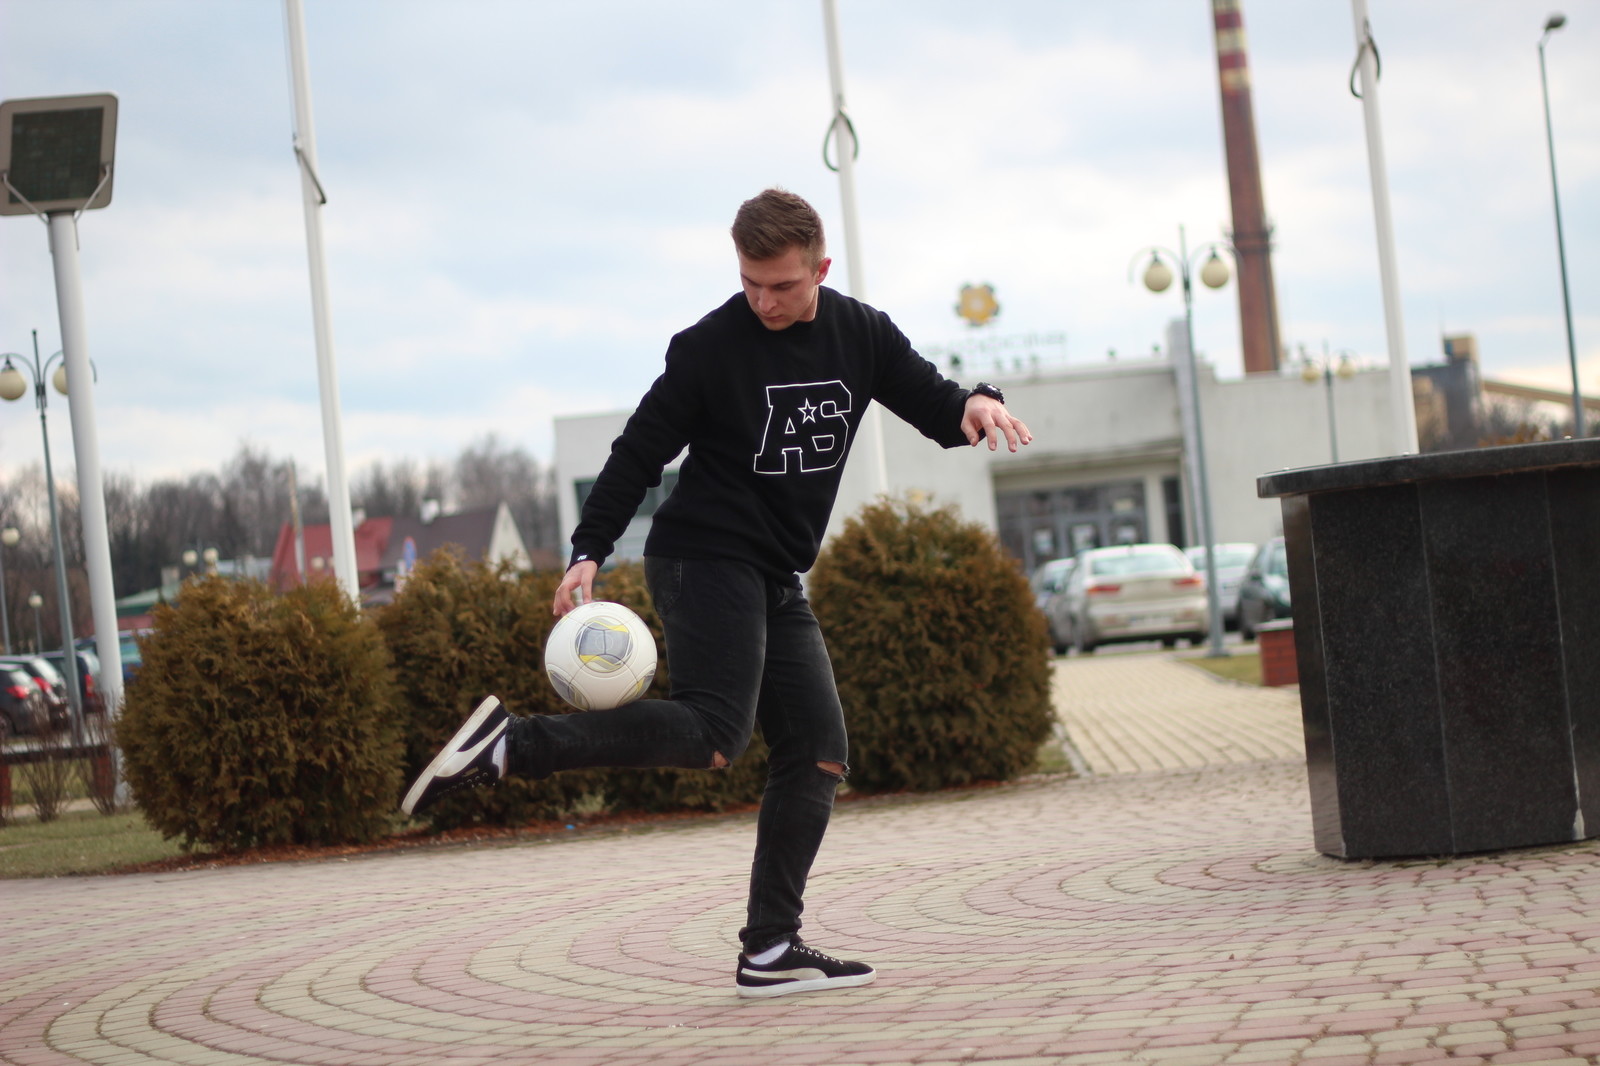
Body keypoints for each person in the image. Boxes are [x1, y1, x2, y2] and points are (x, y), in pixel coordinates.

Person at [402, 188, 1032, 998]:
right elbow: (638, 451)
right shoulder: (709, 348)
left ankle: (770, 948)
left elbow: (938, 406)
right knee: (714, 733)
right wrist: (588, 549)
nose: (765, 302)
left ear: (820, 269)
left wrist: (980, 401)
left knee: (818, 751)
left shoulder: (861, 333)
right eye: (750, 283)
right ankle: (511, 745)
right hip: (701, 556)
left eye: (783, 285)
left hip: (773, 571)